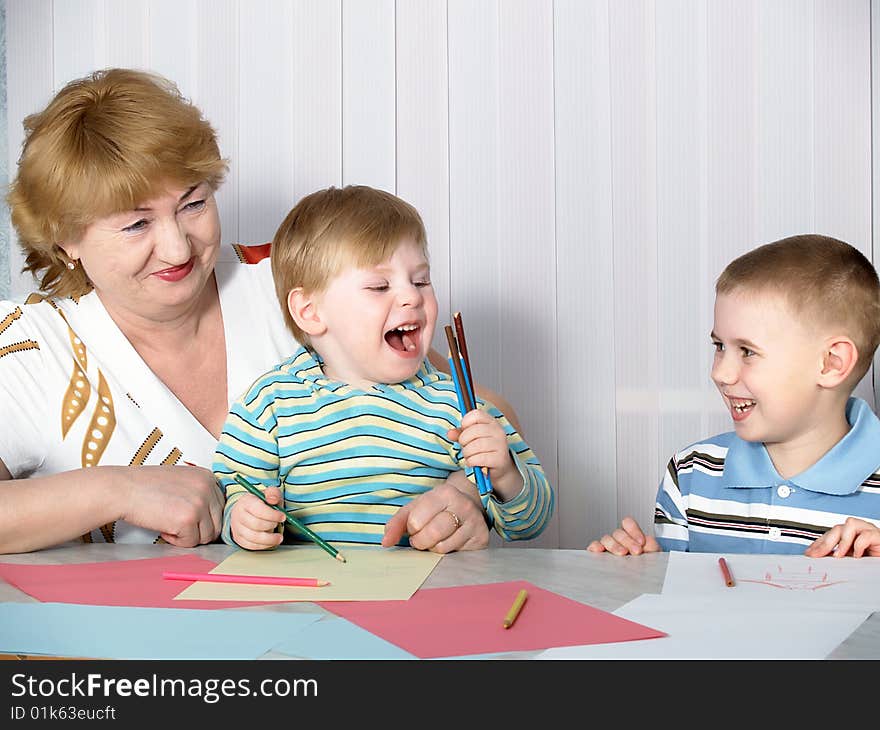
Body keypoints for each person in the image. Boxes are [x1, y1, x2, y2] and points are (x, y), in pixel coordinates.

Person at [0, 68, 520, 554]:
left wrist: (464, 494)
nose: (179, 248)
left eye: (194, 204)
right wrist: (116, 489)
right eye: (137, 225)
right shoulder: (29, 344)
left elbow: (480, 405)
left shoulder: (289, 283)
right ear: (65, 238)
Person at [213, 185, 554, 552]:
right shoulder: (272, 403)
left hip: (427, 596)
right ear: (310, 311)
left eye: (421, 280)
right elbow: (232, 493)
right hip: (311, 598)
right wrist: (244, 520)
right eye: (379, 286)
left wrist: (505, 474)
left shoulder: (458, 405)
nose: (411, 296)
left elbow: (529, 524)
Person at [588, 234, 880, 557]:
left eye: (747, 351)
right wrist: (643, 568)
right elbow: (675, 598)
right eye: (719, 346)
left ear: (831, 363)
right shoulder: (691, 474)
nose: (720, 373)